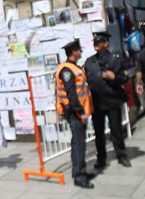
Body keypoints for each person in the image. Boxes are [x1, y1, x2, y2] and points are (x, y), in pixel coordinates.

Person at [84, 32, 131, 170]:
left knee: (116, 130)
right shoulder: (89, 61)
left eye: (99, 42)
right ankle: (101, 158)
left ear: (106, 43)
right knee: (99, 133)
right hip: (97, 102)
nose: (96, 44)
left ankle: (122, 155)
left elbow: (125, 78)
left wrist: (114, 77)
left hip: (112, 99)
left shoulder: (115, 59)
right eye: (94, 42)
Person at [55, 40, 95, 189]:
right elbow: (72, 95)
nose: (81, 52)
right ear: (73, 52)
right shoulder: (66, 70)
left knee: (77, 143)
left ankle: (77, 171)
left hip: (77, 112)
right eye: (79, 50)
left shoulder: (74, 67)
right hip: (75, 113)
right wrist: (81, 113)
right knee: (79, 144)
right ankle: (80, 176)